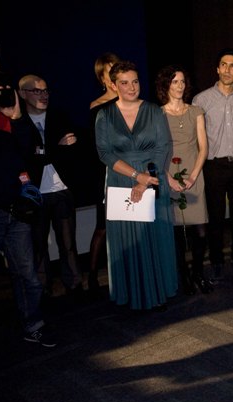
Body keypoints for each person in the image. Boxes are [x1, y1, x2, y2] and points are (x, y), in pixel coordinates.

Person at [95, 60, 178, 310]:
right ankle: (131, 293)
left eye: (135, 81)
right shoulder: (104, 114)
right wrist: (135, 176)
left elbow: (162, 146)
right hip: (121, 182)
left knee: (154, 236)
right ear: (113, 85)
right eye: (124, 83)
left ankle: (159, 290)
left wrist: (145, 178)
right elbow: (105, 154)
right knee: (126, 240)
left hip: (152, 178)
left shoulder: (154, 111)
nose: (132, 87)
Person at [0, 69, 56, 346]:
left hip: (16, 210)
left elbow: (30, 153)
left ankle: (33, 325)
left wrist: (17, 118)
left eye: (5, 88)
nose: (2, 93)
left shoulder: (13, 122)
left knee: (28, 276)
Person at [18, 74, 83, 297]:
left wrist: (45, 151)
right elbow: (27, 157)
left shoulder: (59, 117)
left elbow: (74, 150)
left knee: (68, 244)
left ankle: (74, 285)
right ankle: (42, 290)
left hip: (61, 190)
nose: (43, 95)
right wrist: (55, 148)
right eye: (37, 91)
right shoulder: (20, 123)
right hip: (35, 194)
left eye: (45, 91)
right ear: (22, 94)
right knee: (38, 246)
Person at [193, 48, 233, 285]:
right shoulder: (201, 100)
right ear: (217, 69)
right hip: (213, 166)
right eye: (224, 65)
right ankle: (217, 263)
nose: (228, 69)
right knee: (215, 218)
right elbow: (197, 138)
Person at [155, 64, 212, 295]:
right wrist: (167, 177)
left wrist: (194, 175)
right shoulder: (157, 114)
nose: (179, 86)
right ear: (166, 85)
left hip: (194, 174)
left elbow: (203, 147)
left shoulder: (196, 111)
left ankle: (198, 273)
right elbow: (156, 150)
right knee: (176, 231)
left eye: (182, 81)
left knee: (200, 231)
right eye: (174, 81)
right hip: (169, 174)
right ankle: (183, 275)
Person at [87, 52, 120, 292]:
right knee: (103, 225)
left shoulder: (133, 102)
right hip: (107, 171)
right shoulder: (97, 106)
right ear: (101, 77)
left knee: (128, 224)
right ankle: (91, 276)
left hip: (132, 171)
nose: (114, 76)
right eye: (109, 72)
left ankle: (125, 273)